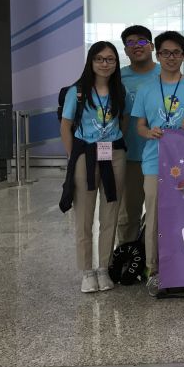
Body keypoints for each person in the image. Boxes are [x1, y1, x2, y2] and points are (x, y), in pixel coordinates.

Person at [131, 31, 184, 297]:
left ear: (183, 56)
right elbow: (139, 126)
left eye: (176, 53)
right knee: (154, 217)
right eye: (165, 53)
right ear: (158, 55)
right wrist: (148, 132)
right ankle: (154, 271)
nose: (171, 57)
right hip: (155, 162)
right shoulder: (146, 89)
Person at [59, 42, 127, 293]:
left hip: (114, 154)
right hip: (84, 156)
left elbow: (123, 121)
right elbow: (66, 126)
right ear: (91, 61)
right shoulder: (77, 92)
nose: (104, 63)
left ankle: (103, 269)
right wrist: (72, 156)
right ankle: (87, 271)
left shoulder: (119, 90)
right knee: (84, 216)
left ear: (116, 63)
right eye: (99, 59)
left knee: (111, 214)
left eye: (110, 59)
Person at [118, 25, 160, 245]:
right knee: (128, 215)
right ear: (125, 50)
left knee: (161, 214)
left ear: (151, 46)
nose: (137, 46)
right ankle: (126, 257)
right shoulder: (118, 77)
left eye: (142, 41)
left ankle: (156, 260)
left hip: (162, 156)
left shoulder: (166, 74)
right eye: (131, 43)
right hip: (130, 156)